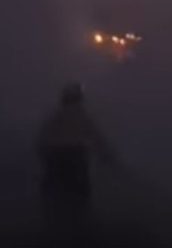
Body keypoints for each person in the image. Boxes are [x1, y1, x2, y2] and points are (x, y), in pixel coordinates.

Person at [36, 82, 116, 243]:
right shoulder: (82, 116)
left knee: (53, 195)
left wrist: (46, 157)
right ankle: (79, 230)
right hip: (75, 158)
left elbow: (41, 140)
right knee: (80, 196)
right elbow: (97, 138)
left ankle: (54, 229)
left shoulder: (55, 116)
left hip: (56, 159)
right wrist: (107, 156)